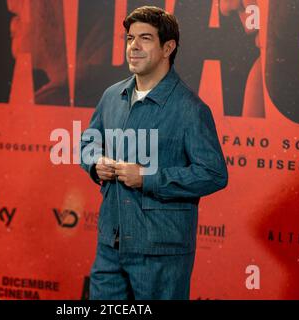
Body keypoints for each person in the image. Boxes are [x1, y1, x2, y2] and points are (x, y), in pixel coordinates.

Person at [80, 6, 228, 300]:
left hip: (161, 252)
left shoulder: (190, 109)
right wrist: (96, 162)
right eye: (130, 38)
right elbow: (87, 142)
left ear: (168, 48)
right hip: (111, 246)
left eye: (145, 38)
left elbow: (213, 174)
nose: (133, 46)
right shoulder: (112, 96)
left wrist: (148, 177)